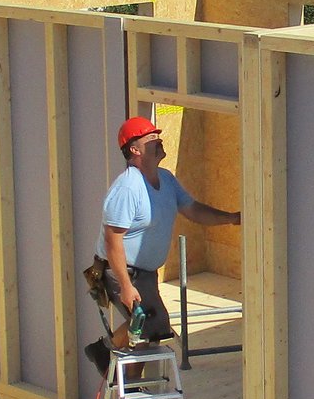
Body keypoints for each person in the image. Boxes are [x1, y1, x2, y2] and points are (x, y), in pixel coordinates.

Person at [85, 116, 238, 373]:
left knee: (151, 331)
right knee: (149, 323)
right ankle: (108, 355)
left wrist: (232, 218)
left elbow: (194, 210)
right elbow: (113, 242)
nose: (159, 141)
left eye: (157, 136)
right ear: (135, 149)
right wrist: (125, 286)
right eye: (151, 139)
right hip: (118, 271)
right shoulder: (128, 188)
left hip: (144, 273)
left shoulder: (166, 179)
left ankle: (110, 358)